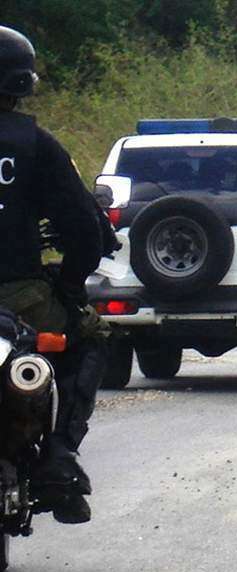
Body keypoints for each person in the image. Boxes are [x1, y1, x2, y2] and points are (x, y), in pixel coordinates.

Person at [0, 25, 117, 523]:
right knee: (90, 336)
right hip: (20, 296)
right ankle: (60, 456)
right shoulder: (35, 143)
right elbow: (84, 229)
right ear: (22, 82)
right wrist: (70, 285)